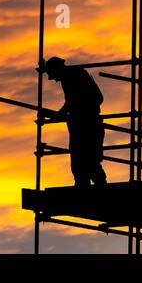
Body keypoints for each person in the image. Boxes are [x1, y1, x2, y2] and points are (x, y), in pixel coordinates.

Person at [43, 57, 107, 187]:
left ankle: (93, 185)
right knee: (82, 158)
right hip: (83, 123)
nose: (51, 79)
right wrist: (56, 115)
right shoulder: (73, 75)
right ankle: (87, 184)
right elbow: (72, 103)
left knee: (86, 158)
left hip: (86, 124)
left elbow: (74, 101)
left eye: (51, 74)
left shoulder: (72, 76)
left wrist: (57, 115)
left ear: (56, 69)